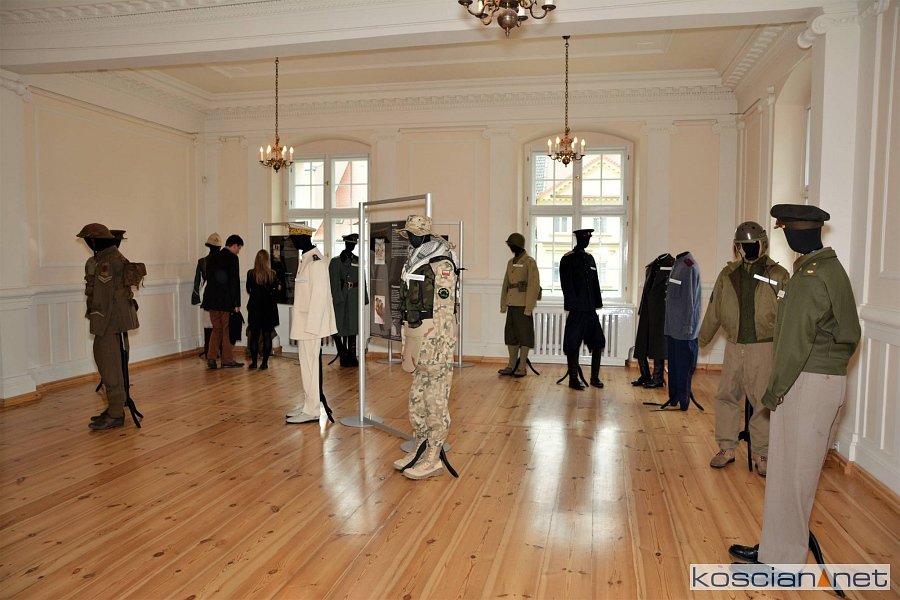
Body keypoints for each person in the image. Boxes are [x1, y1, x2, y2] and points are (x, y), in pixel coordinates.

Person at [730, 204, 860, 566]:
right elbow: (849, 333)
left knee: (791, 475)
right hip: (823, 379)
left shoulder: (809, 278)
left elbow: (793, 345)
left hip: (805, 382)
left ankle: (781, 559)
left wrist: (773, 392)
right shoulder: (831, 269)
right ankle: (779, 547)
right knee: (795, 473)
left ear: (792, 233)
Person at [699, 222, 789, 476]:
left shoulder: (779, 275)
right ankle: (726, 448)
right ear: (737, 247)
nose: (748, 249)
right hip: (734, 345)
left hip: (764, 347)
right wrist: (702, 338)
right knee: (726, 395)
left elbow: (787, 314)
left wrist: (787, 348)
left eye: (752, 244)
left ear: (763, 245)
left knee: (762, 401)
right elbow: (715, 308)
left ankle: (762, 452)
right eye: (743, 245)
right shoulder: (728, 274)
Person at [392, 215, 459, 480]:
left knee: (435, 399)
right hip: (416, 333)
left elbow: (444, 308)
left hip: (435, 337)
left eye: (412, 234)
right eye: (407, 234)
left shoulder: (441, 263)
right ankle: (420, 446)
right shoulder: (415, 259)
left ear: (423, 235)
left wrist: (440, 344)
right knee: (417, 397)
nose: (409, 238)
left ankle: (434, 456)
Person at [77, 223, 144, 430]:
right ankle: (114, 409)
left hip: (109, 322)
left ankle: (115, 414)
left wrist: (97, 326)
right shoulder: (113, 257)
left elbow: (102, 299)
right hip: (117, 320)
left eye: (88, 240)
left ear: (94, 241)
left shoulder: (106, 262)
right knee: (114, 364)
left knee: (109, 365)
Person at [285, 224, 337, 424]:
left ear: (303, 238)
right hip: (305, 325)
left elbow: (319, 297)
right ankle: (309, 404)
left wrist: (313, 328)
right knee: (307, 367)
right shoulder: (307, 259)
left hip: (310, 326)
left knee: (311, 367)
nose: (292, 241)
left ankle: (312, 410)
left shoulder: (316, 262)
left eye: (294, 237)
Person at [559, 228, 605, 390]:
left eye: (588, 238)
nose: (587, 241)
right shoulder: (568, 259)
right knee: (572, 344)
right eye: (584, 238)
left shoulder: (590, 258)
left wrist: (596, 303)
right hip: (577, 310)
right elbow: (566, 284)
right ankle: (573, 379)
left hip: (590, 310)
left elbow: (595, 283)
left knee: (598, 342)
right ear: (578, 239)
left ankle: (594, 378)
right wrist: (573, 304)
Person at [498, 232, 540, 378]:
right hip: (511, 304)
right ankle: (511, 365)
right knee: (511, 336)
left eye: (512, 245)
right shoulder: (511, 262)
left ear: (517, 245)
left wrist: (529, 307)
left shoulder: (529, 262)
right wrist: (503, 303)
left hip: (523, 305)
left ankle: (521, 367)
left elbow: (534, 286)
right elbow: (506, 284)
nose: (510, 247)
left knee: (524, 336)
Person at [664, 251, 701, 410]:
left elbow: (690, 300)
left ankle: (683, 401)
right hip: (673, 327)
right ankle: (674, 397)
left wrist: (688, 326)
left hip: (684, 330)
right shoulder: (678, 265)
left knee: (684, 367)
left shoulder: (688, 267)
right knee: (673, 366)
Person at [201, 234, 244, 369]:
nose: (238, 251)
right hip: (226, 301)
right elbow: (234, 282)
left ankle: (211, 358)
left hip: (212, 300)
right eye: (239, 248)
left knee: (216, 329)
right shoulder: (233, 258)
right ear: (234, 245)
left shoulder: (212, 257)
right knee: (226, 331)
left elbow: (208, 278)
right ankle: (227, 360)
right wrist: (237, 303)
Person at [632, 253, 674, 388]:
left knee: (658, 346)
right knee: (641, 344)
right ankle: (645, 375)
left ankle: (658, 378)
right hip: (647, 309)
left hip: (661, 311)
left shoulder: (672, 265)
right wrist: (642, 309)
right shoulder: (652, 266)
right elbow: (646, 290)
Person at [329, 233, 366, 367]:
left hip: (354, 296)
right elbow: (333, 282)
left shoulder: (358, 260)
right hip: (341, 295)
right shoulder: (335, 262)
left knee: (353, 326)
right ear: (345, 243)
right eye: (350, 244)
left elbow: (363, 280)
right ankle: (342, 353)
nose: (352, 246)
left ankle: (352, 355)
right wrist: (337, 298)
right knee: (338, 326)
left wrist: (364, 297)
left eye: (354, 244)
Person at [246, 249, 281, 370]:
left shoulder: (250, 274)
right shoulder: (272, 274)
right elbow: (276, 292)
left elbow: (248, 289)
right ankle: (265, 363)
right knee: (267, 335)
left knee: (254, 336)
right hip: (268, 308)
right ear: (267, 260)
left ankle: (254, 363)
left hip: (255, 308)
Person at [192, 233, 222, 359]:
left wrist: (196, 299)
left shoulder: (202, 262)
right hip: (222, 298)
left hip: (208, 298)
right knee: (221, 326)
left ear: (208, 246)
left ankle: (209, 352)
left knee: (208, 327)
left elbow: (198, 283)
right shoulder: (225, 261)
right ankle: (221, 353)